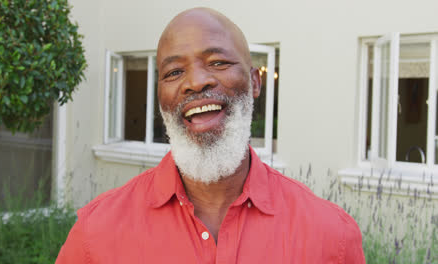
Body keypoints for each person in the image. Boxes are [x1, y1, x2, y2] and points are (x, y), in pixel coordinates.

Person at [56, 7, 365, 263]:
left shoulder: (331, 237)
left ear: (255, 83)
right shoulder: (94, 235)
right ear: (160, 97)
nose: (196, 82)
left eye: (218, 63)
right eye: (174, 72)